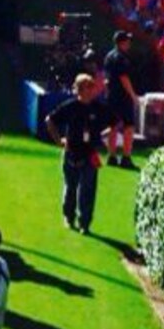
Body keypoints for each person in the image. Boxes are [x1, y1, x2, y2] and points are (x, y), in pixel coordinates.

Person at [46, 74, 113, 234]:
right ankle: (68, 216)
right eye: (87, 88)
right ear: (79, 90)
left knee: (88, 189)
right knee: (71, 187)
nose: (91, 91)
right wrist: (59, 141)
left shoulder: (98, 108)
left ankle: (85, 223)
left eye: (92, 87)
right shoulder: (70, 106)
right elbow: (50, 120)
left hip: (89, 154)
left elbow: (115, 124)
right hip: (71, 152)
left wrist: (102, 136)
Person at [103, 31, 139, 168]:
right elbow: (124, 78)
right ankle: (126, 157)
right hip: (123, 96)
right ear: (122, 42)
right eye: (127, 41)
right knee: (129, 126)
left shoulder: (109, 56)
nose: (129, 43)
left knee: (113, 125)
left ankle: (111, 156)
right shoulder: (121, 58)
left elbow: (106, 76)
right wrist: (133, 95)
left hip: (112, 95)